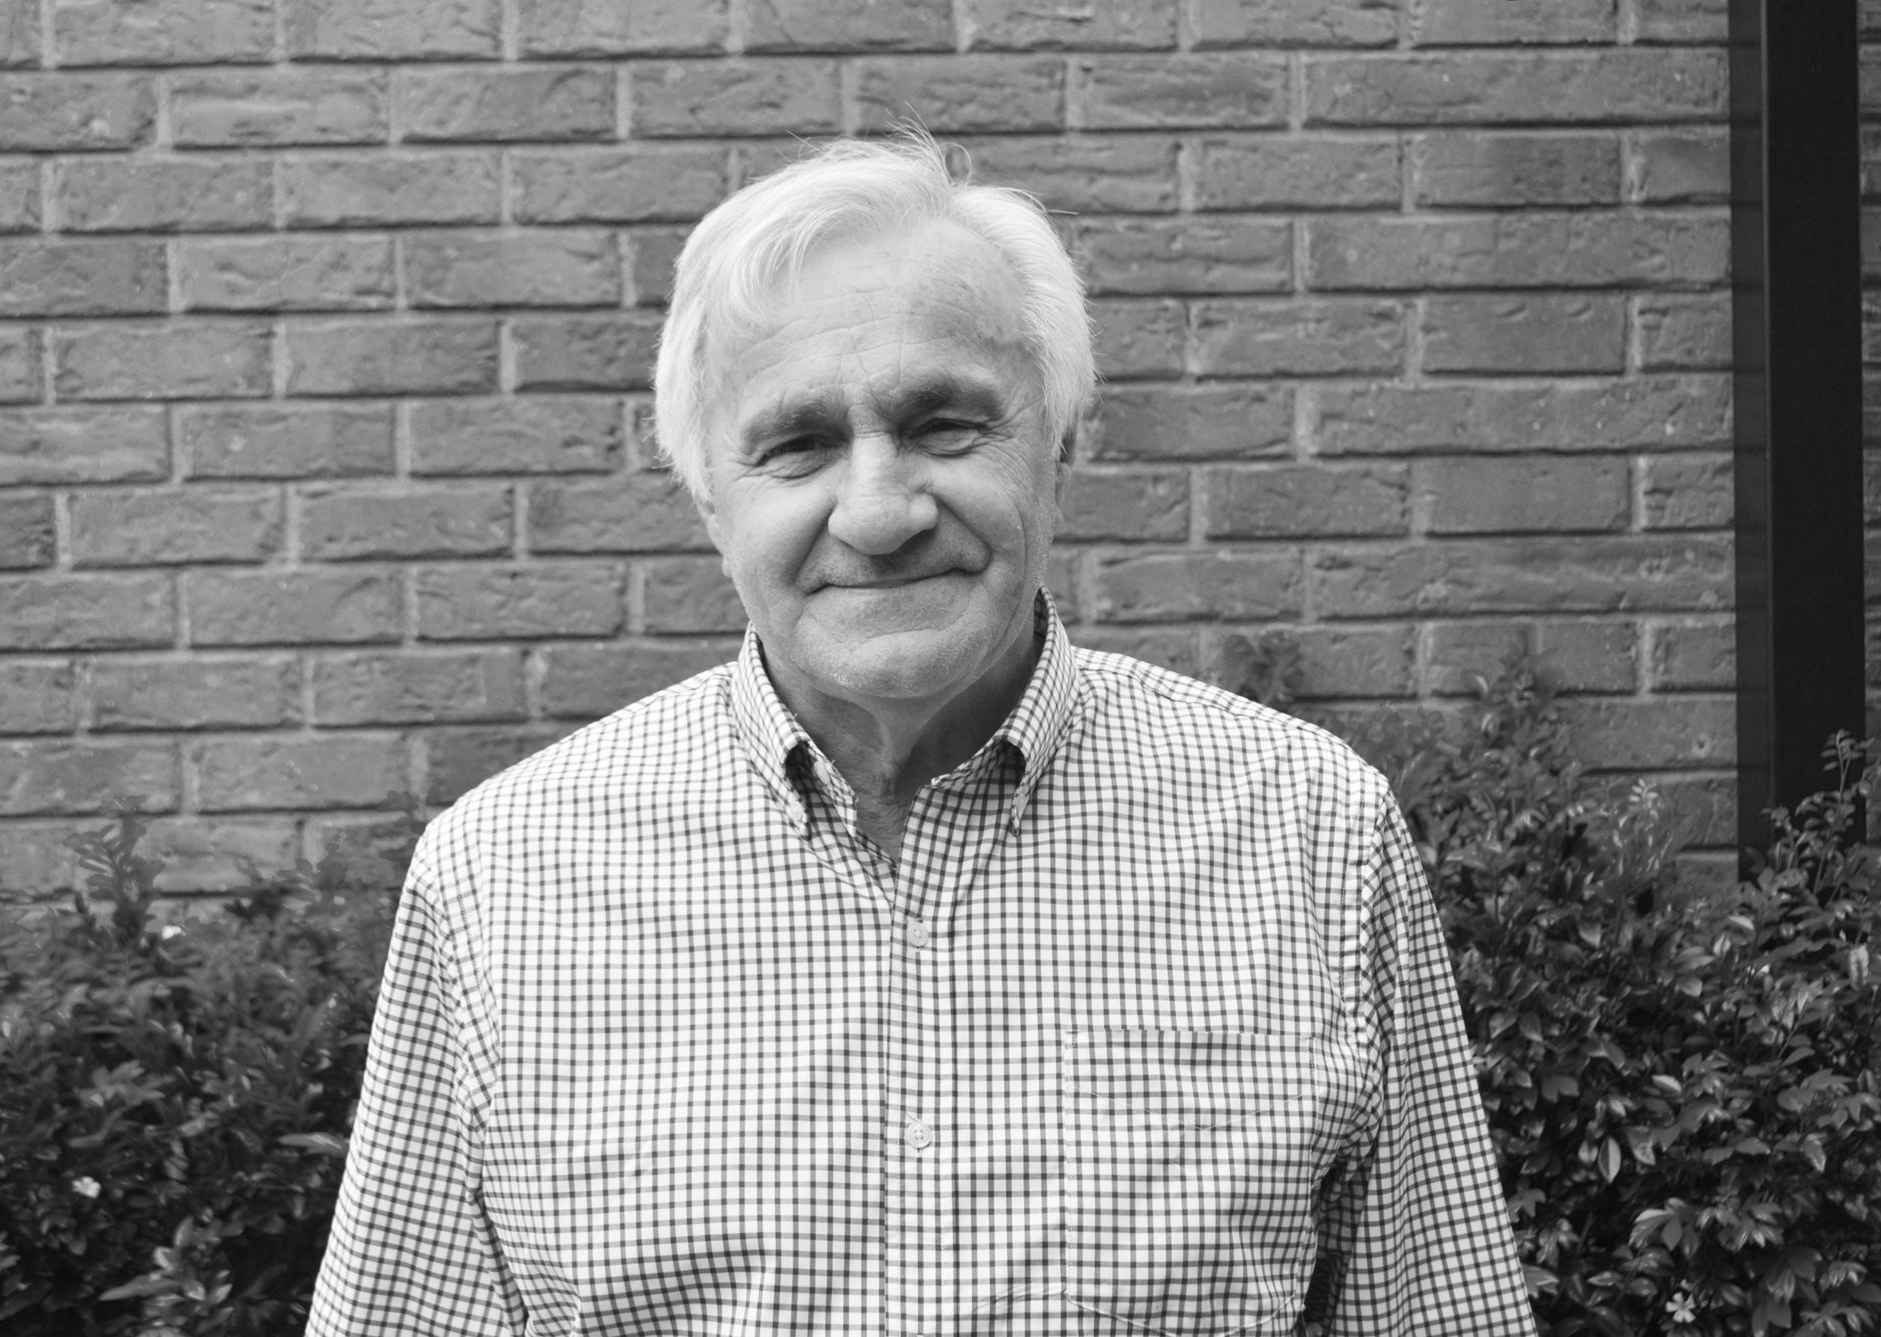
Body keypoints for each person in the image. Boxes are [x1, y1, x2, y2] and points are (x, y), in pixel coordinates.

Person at [307, 131, 1537, 1337]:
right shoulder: (500, 880)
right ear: (709, 497)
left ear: (1060, 444)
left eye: (944, 423)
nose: (878, 511)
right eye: (797, 444)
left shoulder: (1310, 835)